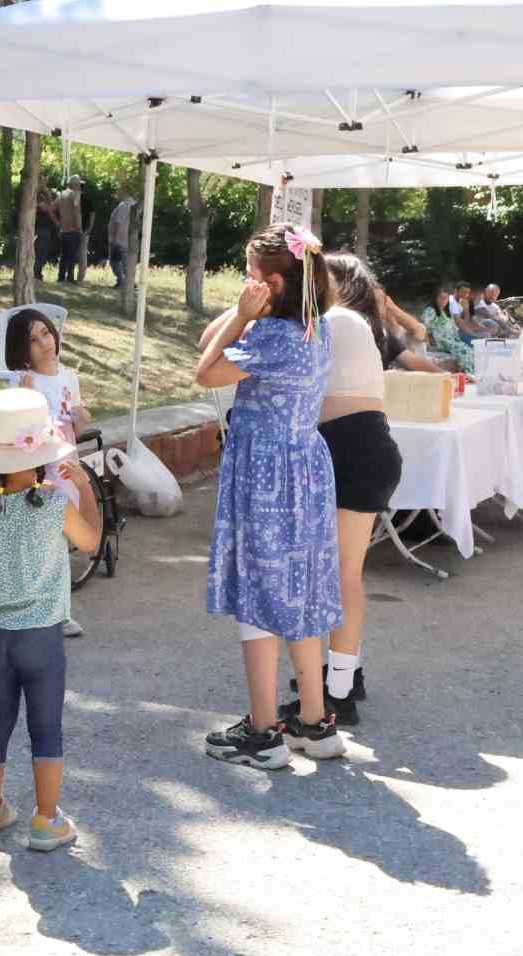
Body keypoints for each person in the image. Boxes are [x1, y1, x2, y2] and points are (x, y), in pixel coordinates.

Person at [194, 224, 345, 770]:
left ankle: (264, 733)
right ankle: (314, 719)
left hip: (265, 473)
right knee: (299, 589)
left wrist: (240, 315)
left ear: (275, 281)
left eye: (252, 273)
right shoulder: (314, 327)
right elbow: (210, 342)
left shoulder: (268, 338)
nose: (245, 280)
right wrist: (244, 309)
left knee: (257, 592)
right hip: (304, 467)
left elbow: (204, 370)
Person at [0, 388, 103, 850]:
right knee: (46, 725)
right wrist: (81, 486)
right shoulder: (55, 507)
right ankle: (45, 819)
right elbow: (92, 542)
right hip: (40, 634)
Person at [278, 254, 405, 727]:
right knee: (343, 575)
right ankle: (344, 671)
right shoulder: (357, 324)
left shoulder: (333, 320)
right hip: (365, 447)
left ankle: (338, 693)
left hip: (351, 447)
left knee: (339, 577)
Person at [4, 309, 91, 638]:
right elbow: (19, 428)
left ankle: (55, 608)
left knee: (58, 536)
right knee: (40, 537)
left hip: (66, 462)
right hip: (38, 466)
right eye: (33, 340)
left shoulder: (69, 376)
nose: (44, 343)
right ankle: (43, 608)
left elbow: (77, 419)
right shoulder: (23, 381)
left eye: (46, 333)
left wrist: (80, 415)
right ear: (21, 349)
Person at [421, 287, 474, 371]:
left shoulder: (447, 311)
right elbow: (424, 328)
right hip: (441, 341)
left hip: (451, 339)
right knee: (464, 350)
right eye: (441, 297)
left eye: (445, 298)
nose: (443, 300)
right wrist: (428, 344)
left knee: (469, 349)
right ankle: (468, 372)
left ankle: (469, 371)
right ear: (435, 298)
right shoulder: (430, 311)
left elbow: (454, 327)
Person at [55, 176, 84, 284]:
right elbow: (77, 213)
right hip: (73, 230)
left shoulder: (61, 194)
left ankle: (60, 277)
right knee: (72, 255)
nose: (80, 186)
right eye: (79, 184)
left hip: (63, 230)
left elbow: (52, 208)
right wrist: (79, 228)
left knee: (64, 255)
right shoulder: (76, 195)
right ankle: (70, 277)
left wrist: (57, 222)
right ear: (75, 185)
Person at [107, 187, 135, 289]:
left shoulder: (124, 205)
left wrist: (115, 240)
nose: (117, 193)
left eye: (119, 190)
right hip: (124, 239)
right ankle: (126, 282)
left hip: (119, 239)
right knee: (124, 262)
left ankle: (123, 282)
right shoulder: (131, 203)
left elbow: (119, 223)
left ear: (124, 191)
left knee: (116, 262)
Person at [33, 187, 58, 282]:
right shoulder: (37, 196)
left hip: (45, 229)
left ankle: (38, 272)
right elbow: (49, 208)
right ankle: (36, 273)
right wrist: (48, 192)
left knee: (42, 253)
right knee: (40, 252)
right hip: (40, 229)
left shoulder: (43, 196)